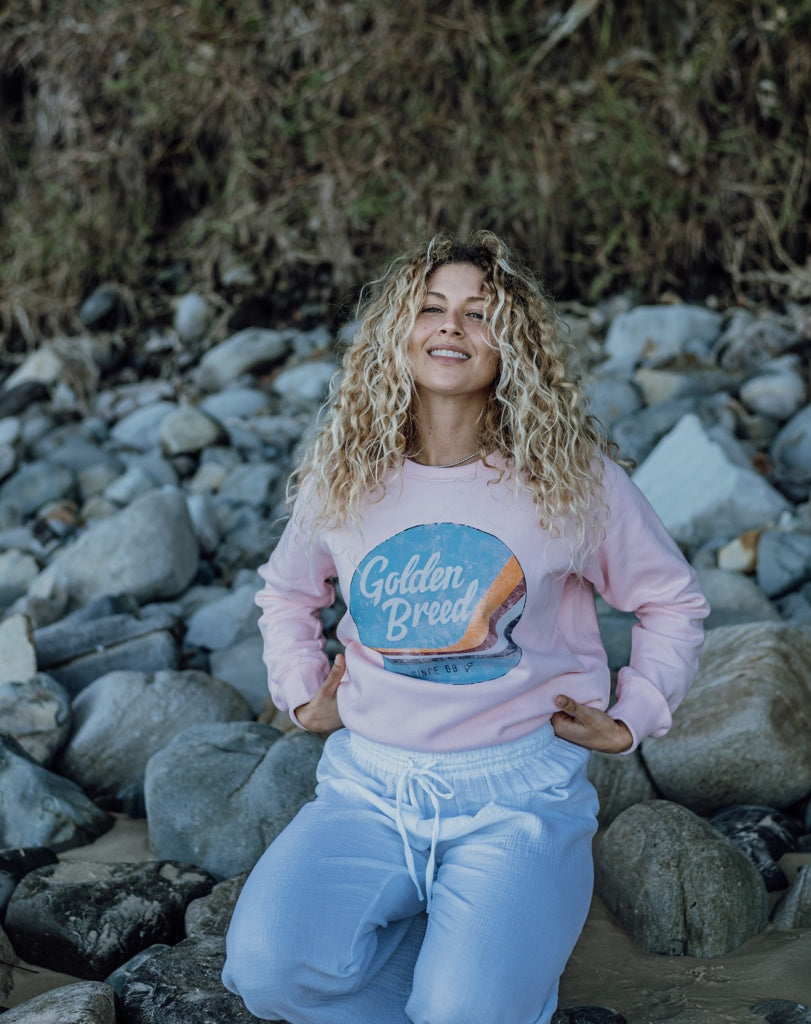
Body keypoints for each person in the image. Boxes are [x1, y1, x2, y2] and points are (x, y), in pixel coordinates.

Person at [222, 230, 709, 1024]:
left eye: (479, 314)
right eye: (431, 307)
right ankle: (458, 962)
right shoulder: (345, 473)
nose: (451, 326)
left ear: (511, 344)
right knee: (266, 972)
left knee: (460, 1014)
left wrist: (634, 715)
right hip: (369, 790)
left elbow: (672, 599)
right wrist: (305, 694)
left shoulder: (570, 479)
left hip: (518, 796)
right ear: (398, 331)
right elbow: (285, 595)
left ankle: (483, 975)